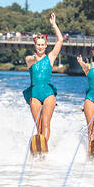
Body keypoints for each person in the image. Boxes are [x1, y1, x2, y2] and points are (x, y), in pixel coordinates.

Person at [23, 13, 63, 141]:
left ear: (46, 46)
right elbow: (29, 59)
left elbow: (60, 40)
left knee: (46, 123)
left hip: (48, 93)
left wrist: (54, 25)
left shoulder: (50, 58)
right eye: (38, 44)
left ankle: (44, 145)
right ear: (35, 45)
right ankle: (39, 144)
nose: (40, 47)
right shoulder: (30, 59)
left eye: (42, 44)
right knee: (38, 125)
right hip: (34, 93)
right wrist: (34, 59)